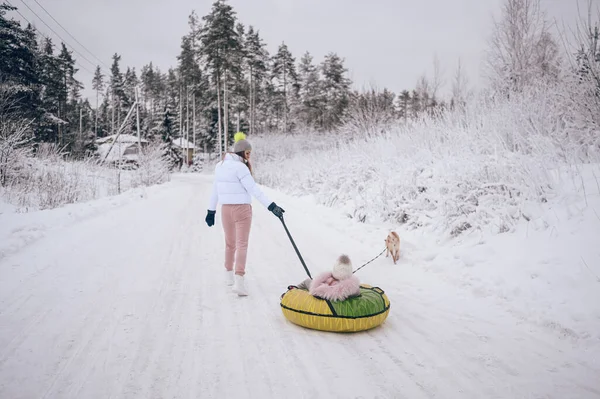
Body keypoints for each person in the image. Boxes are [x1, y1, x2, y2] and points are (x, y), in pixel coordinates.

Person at [205, 133, 285, 296]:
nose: (249, 156)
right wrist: (272, 206)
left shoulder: (219, 166)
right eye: (248, 153)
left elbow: (215, 189)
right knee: (241, 244)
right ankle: (239, 281)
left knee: (230, 243)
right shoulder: (241, 168)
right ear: (241, 152)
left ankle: (228, 276)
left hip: (225, 209)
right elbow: (254, 190)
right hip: (242, 209)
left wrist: (211, 210)